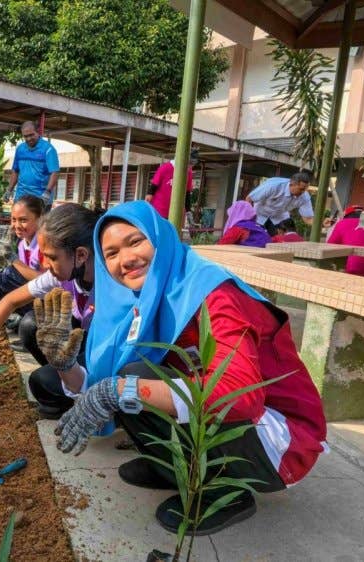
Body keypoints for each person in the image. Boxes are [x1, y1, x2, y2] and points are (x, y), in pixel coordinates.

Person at [52, 201, 326, 535]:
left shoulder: (213, 293)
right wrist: (64, 364)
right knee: (128, 372)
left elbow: (241, 398)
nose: (126, 259)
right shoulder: (145, 298)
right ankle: (172, 467)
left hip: (280, 436)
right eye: (110, 253)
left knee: (133, 380)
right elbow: (101, 383)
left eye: (136, 242)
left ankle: (224, 491)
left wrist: (121, 390)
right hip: (232, 415)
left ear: (160, 238)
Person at [0, 203, 99, 419]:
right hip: (82, 343)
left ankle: (91, 398)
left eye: (52, 257)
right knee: (31, 325)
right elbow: (10, 300)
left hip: (106, 351)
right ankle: (68, 381)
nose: (45, 264)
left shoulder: (109, 285)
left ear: (81, 255)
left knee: (42, 382)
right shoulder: (63, 272)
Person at [0, 194, 47, 302]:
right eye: (13, 220)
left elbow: (46, 282)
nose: (17, 225)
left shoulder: (45, 245)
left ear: (40, 219)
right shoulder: (22, 243)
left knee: (5, 276)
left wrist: (13, 259)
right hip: (35, 292)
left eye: (23, 220)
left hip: (50, 296)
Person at [8, 121, 60, 204]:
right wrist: (9, 190)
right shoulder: (20, 149)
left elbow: (55, 172)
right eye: (25, 136)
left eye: (31, 135)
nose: (29, 139)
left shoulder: (48, 149)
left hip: (40, 198)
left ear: (38, 132)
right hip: (21, 197)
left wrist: (47, 192)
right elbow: (15, 171)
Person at [245, 172, 314, 235]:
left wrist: (321, 226)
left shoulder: (304, 197)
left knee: (283, 241)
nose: (303, 192)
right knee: (256, 240)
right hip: (260, 215)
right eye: (301, 189)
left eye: (305, 190)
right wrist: (249, 220)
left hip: (279, 218)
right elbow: (249, 199)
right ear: (292, 184)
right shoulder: (274, 186)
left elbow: (308, 218)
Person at [144, 151, 197, 219]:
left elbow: (187, 193)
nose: (190, 166)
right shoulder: (165, 167)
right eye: (189, 163)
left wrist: (188, 210)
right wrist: (147, 205)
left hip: (175, 213)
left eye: (192, 164)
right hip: (158, 210)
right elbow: (153, 187)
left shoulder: (189, 172)